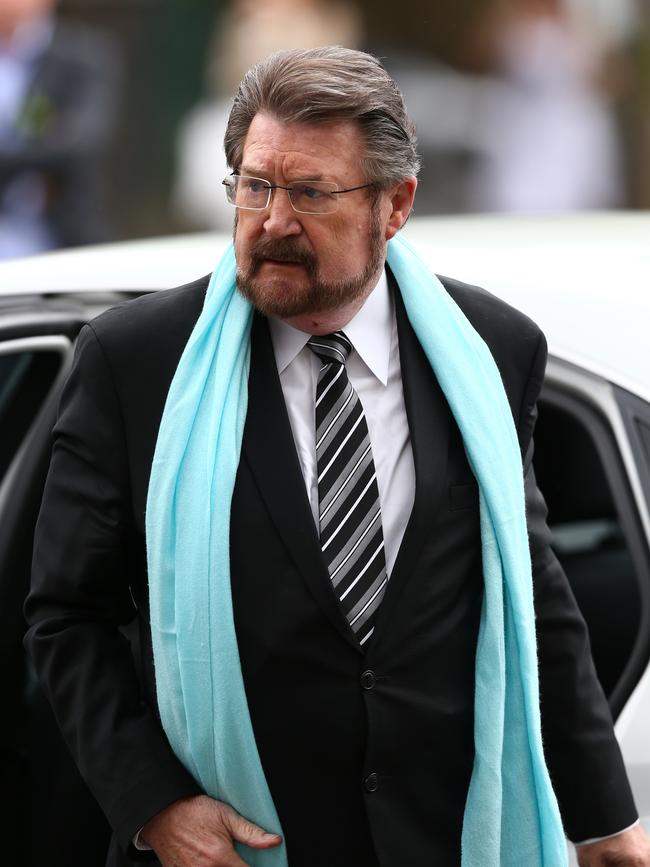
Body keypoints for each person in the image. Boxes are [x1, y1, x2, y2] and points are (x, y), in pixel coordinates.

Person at [24, 47, 650, 867]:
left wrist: (604, 820)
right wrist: (157, 805)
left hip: (444, 839)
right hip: (239, 846)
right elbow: (65, 616)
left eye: (311, 193)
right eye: (255, 186)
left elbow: (530, 591)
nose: (273, 221)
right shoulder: (137, 363)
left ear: (395, 206)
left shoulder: (491, 349)